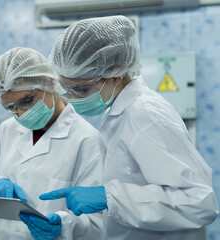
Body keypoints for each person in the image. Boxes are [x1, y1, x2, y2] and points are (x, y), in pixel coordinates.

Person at [39, 15, 219, 239]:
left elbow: (199, 202)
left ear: (116, 72)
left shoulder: (144, 113)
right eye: (67, 89)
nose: (73, 98)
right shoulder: (119, 112)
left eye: (82, 89)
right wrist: (70, 225)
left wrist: (110, 198)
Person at [0, 47, 106, 239]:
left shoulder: (87, 140)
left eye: (26, 100)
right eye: (11, 107)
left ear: (50, 82)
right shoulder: (7, 129)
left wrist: (65, 226)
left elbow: (98, 221)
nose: (21, 113)